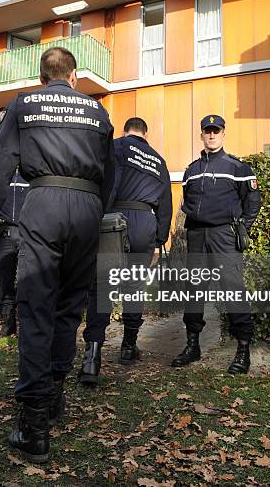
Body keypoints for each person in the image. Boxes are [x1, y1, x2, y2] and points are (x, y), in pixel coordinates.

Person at [0, 47, 115, 463]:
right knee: (69, 308)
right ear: (73, 76)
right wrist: (94, 212)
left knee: (36, 308)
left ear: (41, 77)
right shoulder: (97, 112)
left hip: (43, 203)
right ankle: (54, 396)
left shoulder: (24, 104)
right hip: (87, 208)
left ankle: (34, 426)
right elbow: (109, 172)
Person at [79, 117, 172, 385]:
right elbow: (165, 202)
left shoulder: (116, 147)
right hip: (145, 222)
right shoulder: (158, 160)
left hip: (113, 220)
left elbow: (104, 178)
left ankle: (92, 357)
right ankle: (129, 347)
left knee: (102, 287)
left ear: (125, 130)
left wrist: (99, 213)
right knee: (134, 286)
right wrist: (159, 238)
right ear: (146, 133)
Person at [171, 114, 260, 374]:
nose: (211, 135)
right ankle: (192, 346)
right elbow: (186, 202)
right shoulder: (191, 171)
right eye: (207, 131)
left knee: (232, 289)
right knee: (194, 291)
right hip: (197, 235)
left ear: (223, 134)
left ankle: (243, 350)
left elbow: (252, 201)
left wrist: (242, 227)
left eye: (216, 131)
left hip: (224, 235)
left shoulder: (238, 168)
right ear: (201, 135)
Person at [0, 168, 29, 337]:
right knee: (4, 282)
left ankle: (26, 324)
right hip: (3, 233)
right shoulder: (0, 173)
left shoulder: (31, 171)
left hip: (28, 233)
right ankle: (9, 323)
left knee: (26, 281)